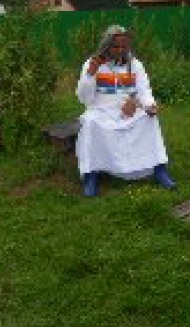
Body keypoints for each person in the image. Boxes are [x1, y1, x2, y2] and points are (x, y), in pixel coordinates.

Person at [75, 24, 176, 197]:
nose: (120, 50)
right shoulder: (93, 64)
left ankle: (159, 169)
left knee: (149, 119)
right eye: (115, 46)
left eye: (123, 46)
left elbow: (144, 90)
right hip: (101, 112)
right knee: (91, 124)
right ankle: (91, 175)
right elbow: (84, 98)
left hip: (129, 111)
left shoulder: (135, 65)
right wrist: (90, 75)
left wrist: (150, 105)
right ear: (106, 45)